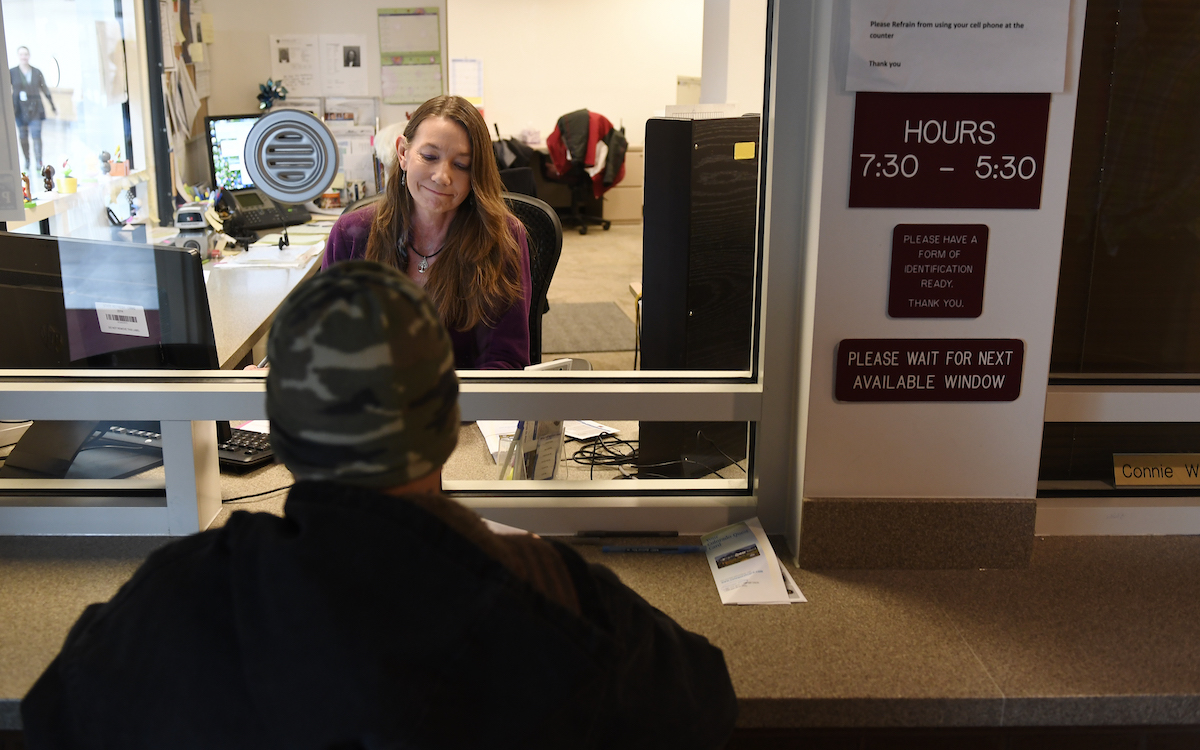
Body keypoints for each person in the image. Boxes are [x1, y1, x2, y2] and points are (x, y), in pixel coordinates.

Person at [20, 262, 739, 749]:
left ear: (285, 434)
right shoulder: (555, 592)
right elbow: (705, 703)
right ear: (445, 418)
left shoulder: (179, 595)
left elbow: (55, 715)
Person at [323, 94, 531, 370]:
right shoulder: (351, 234)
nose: (442, 176)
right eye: (429, 156)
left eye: (461, 165)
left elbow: (506, 361)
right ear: (403, 153)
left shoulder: (501, 237)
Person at [9, 46, 56, 174]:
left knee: (36, 135)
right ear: (18, 56)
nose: (24, 57)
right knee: (23, 136)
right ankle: (27, 160)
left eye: (26, 54)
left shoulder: (36, 72)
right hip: (19, 110)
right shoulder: (12, 72)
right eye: (21, 54)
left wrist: (52, 105)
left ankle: (39, 161)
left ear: (29, 55)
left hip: (35, 109)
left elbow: (44, 89)